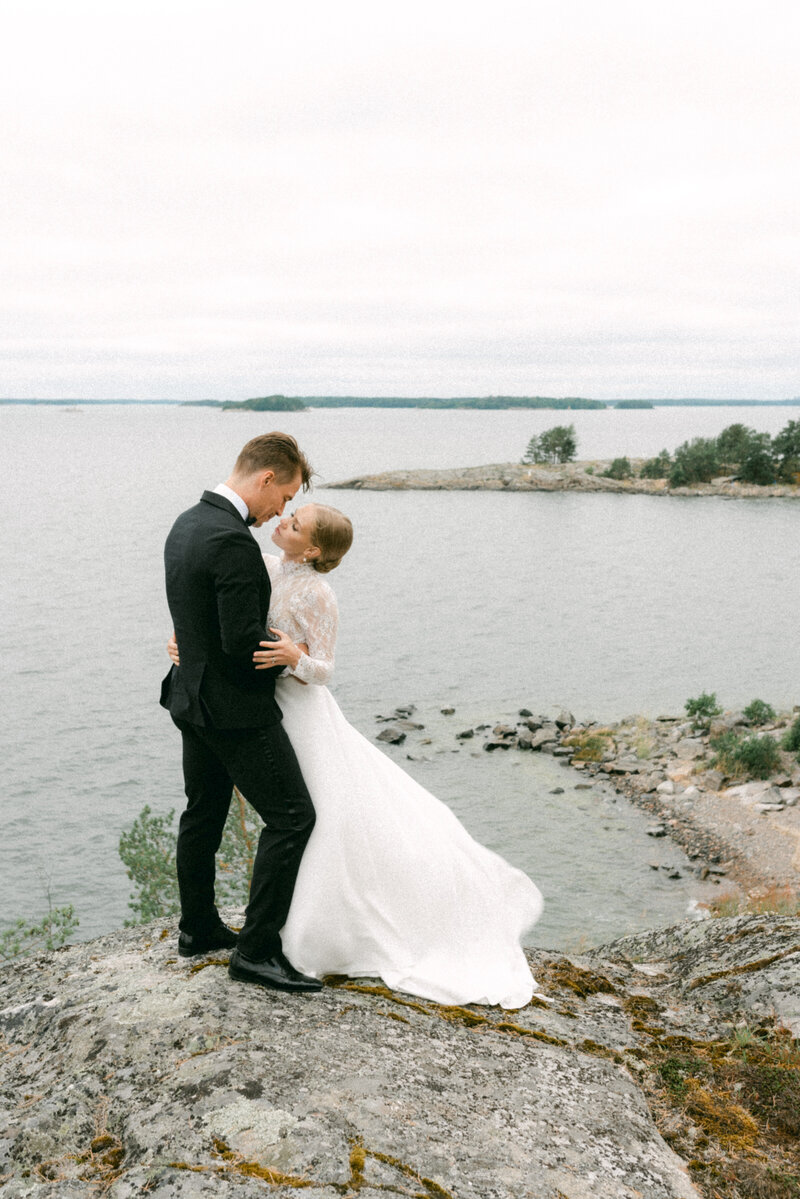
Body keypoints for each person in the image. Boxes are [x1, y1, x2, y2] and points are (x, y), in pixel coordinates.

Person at [168, 501, 544, 1008]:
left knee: (316, 816)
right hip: (252, 706)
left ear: (315, 548)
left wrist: (294, 657)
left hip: (296, 711)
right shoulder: (267, 563)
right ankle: (249, 935)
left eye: (295, 524)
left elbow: (324, 668)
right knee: (287, 816)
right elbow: (211, 600)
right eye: (288, 514)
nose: (284, 521)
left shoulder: (318, 593)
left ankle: (306, 935)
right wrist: (186, 642)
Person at [160, 432, 323, 994]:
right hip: (233, 711)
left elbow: (191, 614)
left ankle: (197, 928)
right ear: (266, 479)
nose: (283, 510)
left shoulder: (187, 521)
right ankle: (256, 951)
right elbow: (241, 643)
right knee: (293, 818)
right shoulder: (232, 540)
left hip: (190, 698)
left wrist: (190, 645)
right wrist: (291, 657)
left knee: (202, 813)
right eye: (285, 497)